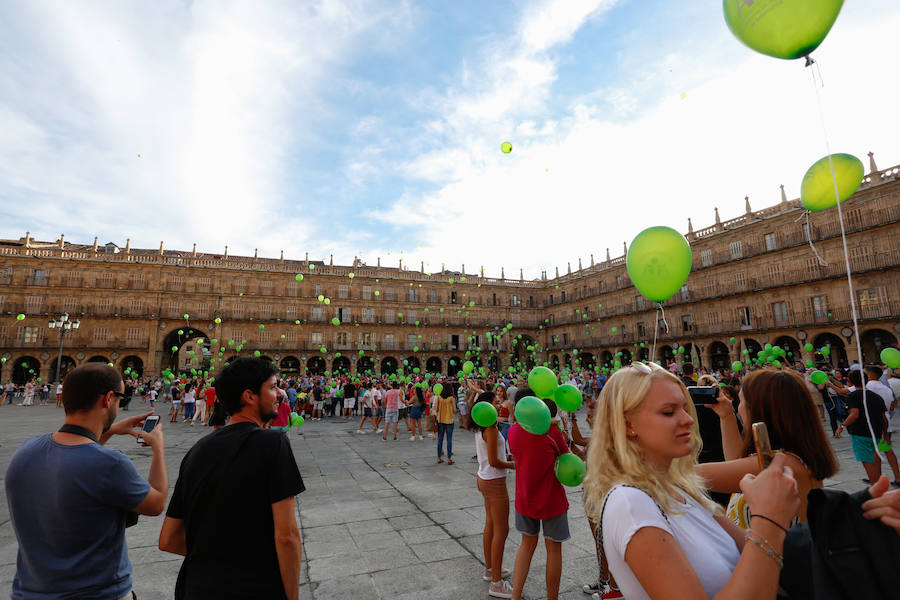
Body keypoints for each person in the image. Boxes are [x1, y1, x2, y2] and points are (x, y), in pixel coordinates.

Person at [583, 362, 801, 600]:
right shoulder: (631, 504)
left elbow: (755, 552)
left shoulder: (680, 488)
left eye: (685, 408)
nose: (688, 419)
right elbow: (762, 544)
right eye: (668, 412)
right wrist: (768, 520)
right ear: (628, 425)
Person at [6, 363, 168, 599]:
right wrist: (158, 448)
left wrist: (109, 431)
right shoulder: (111, 464)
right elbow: (156, 503)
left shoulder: (27, 450)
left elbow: (76, 462)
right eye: (121, 397)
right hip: (97, 593)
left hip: (29, 592)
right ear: (109, 398)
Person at [159, 357, 304, 600]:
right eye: (272, 387)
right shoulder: (272, 443)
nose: (279, 393)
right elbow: (287, 536)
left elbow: (168, 539)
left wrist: (217, 560)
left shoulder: (197, 450)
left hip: (194, 588)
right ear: (249, 396)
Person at [697, 369, 838, 527]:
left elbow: (688, 475)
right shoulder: (789, 458)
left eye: (741, 401)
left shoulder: (778, 465)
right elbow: (735, 461)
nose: (738, 407)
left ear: (758, 409)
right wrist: (726, 416)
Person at [507, 398, 570, 600]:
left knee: (526, 545)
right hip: (551, 499)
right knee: (553, 550)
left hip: (525, 498)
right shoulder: (552, 433)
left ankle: (516, 595)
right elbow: (566, 459)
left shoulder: (514, 431)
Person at [472, 392, 515, 598]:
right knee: (502, 529)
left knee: (490, 525)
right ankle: (496, 583)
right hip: (494, 480)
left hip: (484, 478)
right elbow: (495, 461)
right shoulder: (490, 428)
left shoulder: (482, 426)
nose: (499, 405)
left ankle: (490, 569)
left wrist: (507, 456)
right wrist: (515, 464)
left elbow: (494, 456)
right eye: (495, 402)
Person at [836, 370, 888, 484]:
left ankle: (875, 488)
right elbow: (884, 418)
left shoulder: (853, 396)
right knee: (875, 459)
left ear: (849, 381)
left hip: (860, 433)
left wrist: (842, 426)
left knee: (867, 461)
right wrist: (885, 434)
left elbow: (854, 414)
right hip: (876, 433)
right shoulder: (876, 396)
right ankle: (879, 484)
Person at [865, 365, 900, 486]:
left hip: (875, 423)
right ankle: (897, 477)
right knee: (887, 451)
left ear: (870, 375)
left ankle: (876, 478)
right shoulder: (886, 388)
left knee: (875, 453)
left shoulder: (869, 386)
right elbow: (891, 405)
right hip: (886, 422)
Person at [436, 384, 457, 463]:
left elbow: (437, 409)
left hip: (441, 420)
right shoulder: (451, 398)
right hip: (449, 420)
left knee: (440, 439)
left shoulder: (439, 398)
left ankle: (438, 457)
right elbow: (455, 410)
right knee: (449, 439)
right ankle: (449, 458)